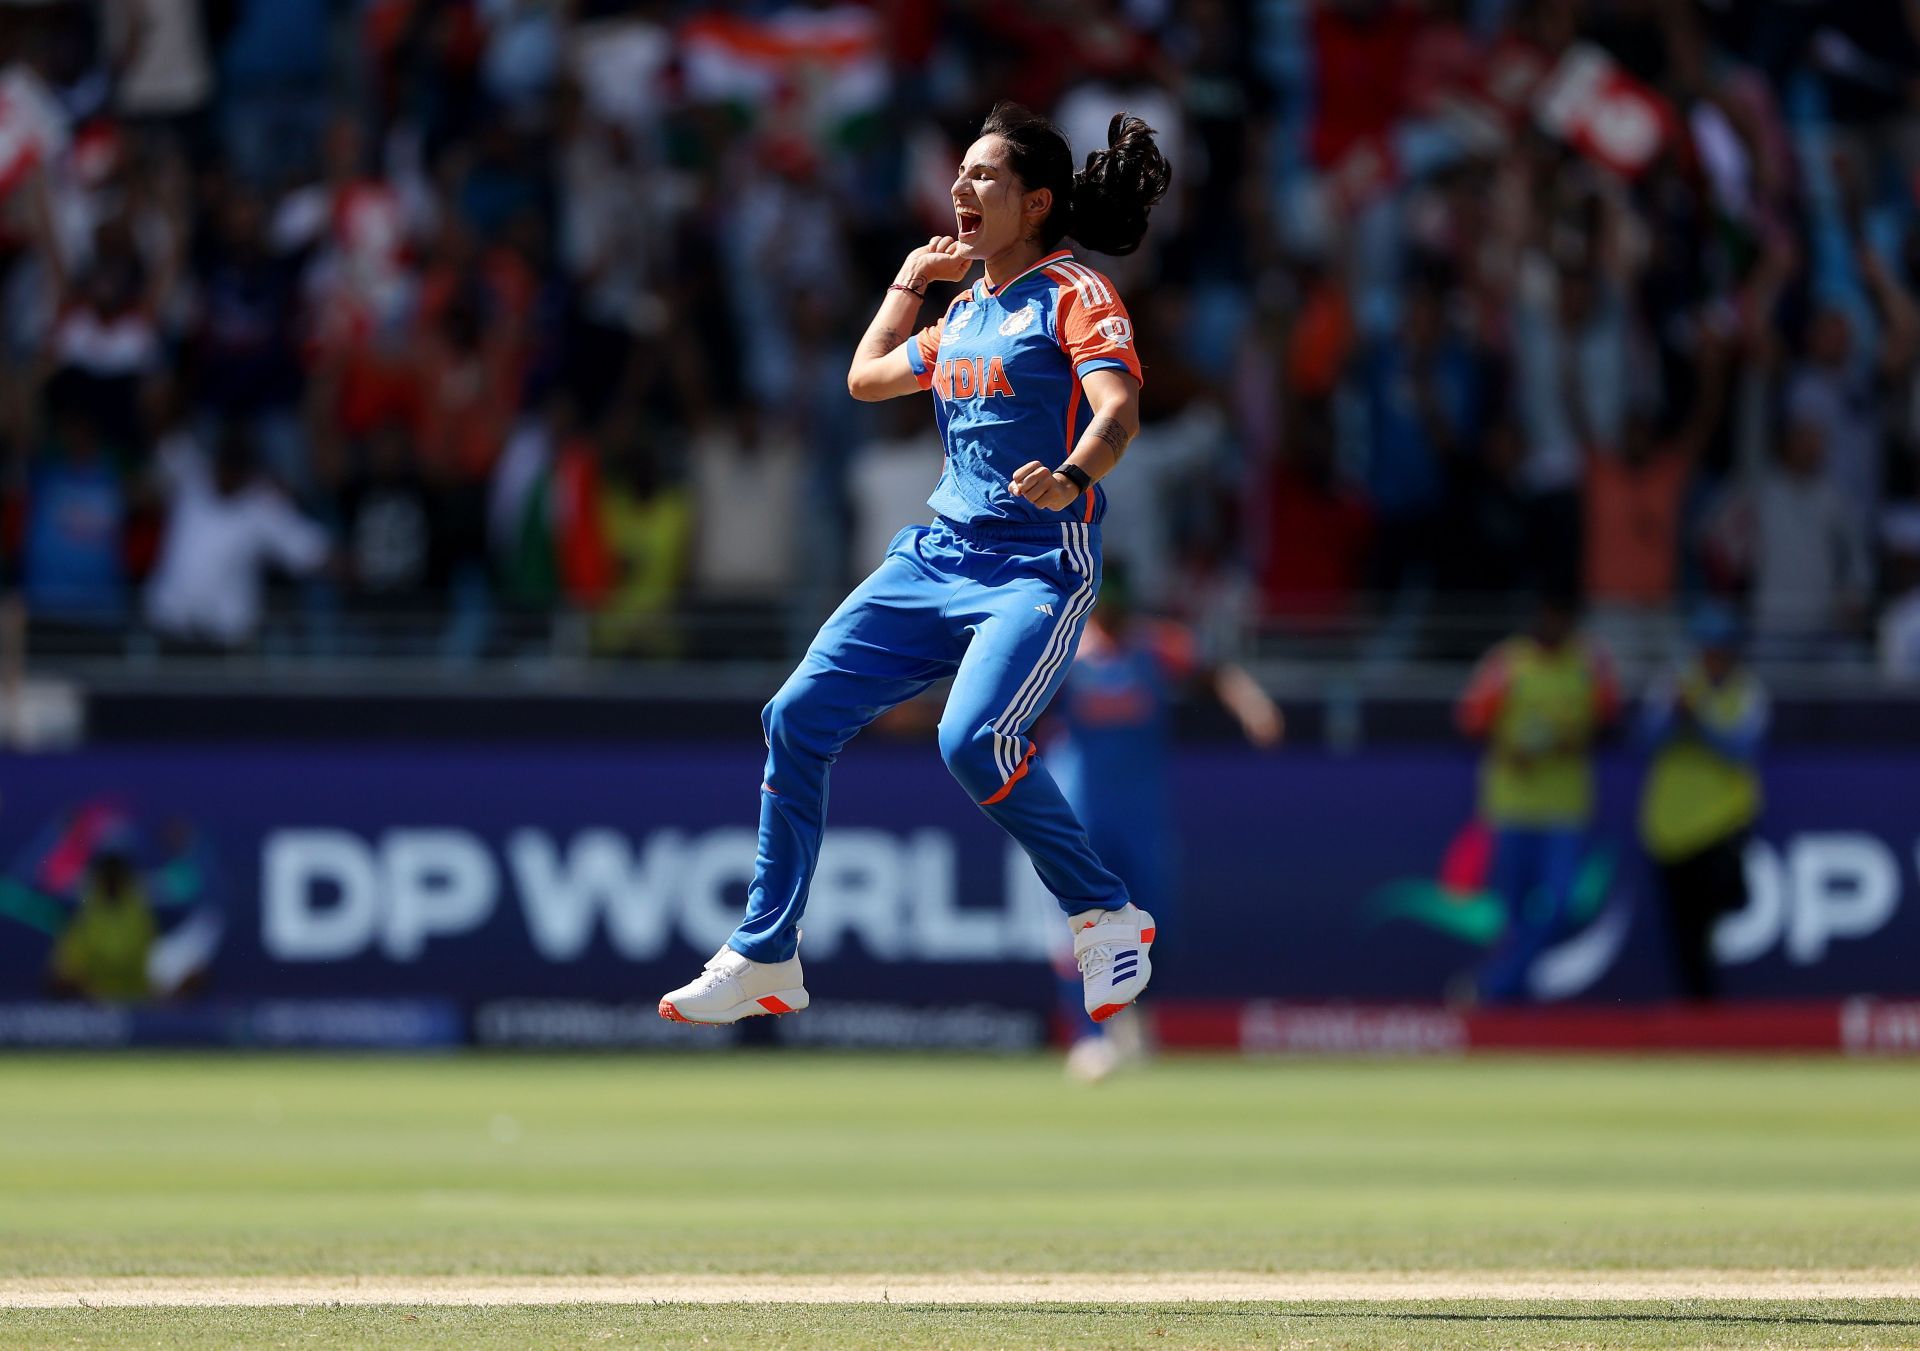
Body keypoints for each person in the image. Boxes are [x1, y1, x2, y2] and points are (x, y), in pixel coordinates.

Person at [659, 102, 1172, 1025]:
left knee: (973, 742)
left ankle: (1104, 912)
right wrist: (908, 282)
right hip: (932, 558)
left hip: (1032, 566)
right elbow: (866, 378)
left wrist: (1069, 475)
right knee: (796, 717)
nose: (961, 190)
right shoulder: (968, 307)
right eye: (961, 174)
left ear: (1037, 202)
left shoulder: (1073, 292)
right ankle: (767, 952)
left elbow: (1118, 411)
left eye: (985, 177)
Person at [1045, 563, 1283, 1081]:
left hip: (1141, 814)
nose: (1109, 619)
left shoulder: (1156, 646)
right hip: (1078, 813)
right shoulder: (1063, 646)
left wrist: (1252, 705)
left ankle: (1133, 1016)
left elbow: (1216, 670)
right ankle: (1088, 1039)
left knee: (1154, 927)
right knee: (1081, 925)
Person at [1456, 594, 1621, 1004]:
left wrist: (1574, 741)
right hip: (1512, 806)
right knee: (1511, 912)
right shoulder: (1509, 662)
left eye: (1558, 618)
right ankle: (1509, 993)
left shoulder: (1588, 663)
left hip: (1563, 809)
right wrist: (1510, 748)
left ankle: (1497, 985)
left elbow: (1613, 724)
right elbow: (1470, 718)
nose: (1550, 625)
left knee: (1561, 902)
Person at [1638, 605, 1768, 1001]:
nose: (1713, 658)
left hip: (1722, 822)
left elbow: (1740, 750)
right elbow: (1643, 741)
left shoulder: (1747, 691)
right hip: (1670, 826)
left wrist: (1700, 722)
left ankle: (1703, 997)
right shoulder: (1672, 686)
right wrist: (1674, 719)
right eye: (1706, 650)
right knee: (1683, 926)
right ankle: (1699, 1008)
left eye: (1720, 650)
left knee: (1724, 896)